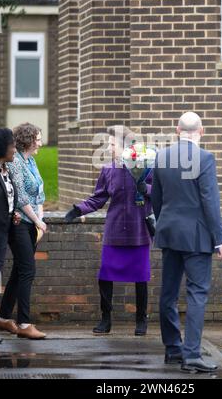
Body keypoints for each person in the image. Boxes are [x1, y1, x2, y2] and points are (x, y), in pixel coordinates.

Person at [151, 112, 222, 373]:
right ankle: (192, 354)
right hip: (196, 236)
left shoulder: (162, 157)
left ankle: (173, 349)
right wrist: (220, 240)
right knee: (197, 293)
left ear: (177, 130)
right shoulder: (205, 158)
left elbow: (157, 199)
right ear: (201, 131)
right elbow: (210, 201)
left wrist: (165, 223)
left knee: (168, 293)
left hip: (170, 232)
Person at [65, 125, 153, 336]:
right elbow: (98, 198)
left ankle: (141, 320)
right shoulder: (108, 169)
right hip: (114, 230)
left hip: (138, 229)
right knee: (106, 274)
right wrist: (78, 210)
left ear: (126, 146)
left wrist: (146, 188)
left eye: (112, 144)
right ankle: (106, 318)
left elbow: (160, 192)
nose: (109, 148)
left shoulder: (146, 166)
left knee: (140, 277)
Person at [0, 123, 47, 340]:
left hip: (32, 225)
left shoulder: (32, 161)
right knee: (28, 270)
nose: (41, 143)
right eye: (38, 138)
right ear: (28, 139)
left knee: (19, 271)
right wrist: (36, 220)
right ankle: (24, 323)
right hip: (20, 225)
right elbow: (21, 197)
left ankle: (4, 318)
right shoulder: (15, 162)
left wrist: (40, 221)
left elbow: (39, 194)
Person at [0, 129, 19, 344]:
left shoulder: (4, 170)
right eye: (12, 145)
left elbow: (7, 199)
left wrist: (13, 213)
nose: (14, 148)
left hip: (1, 237)